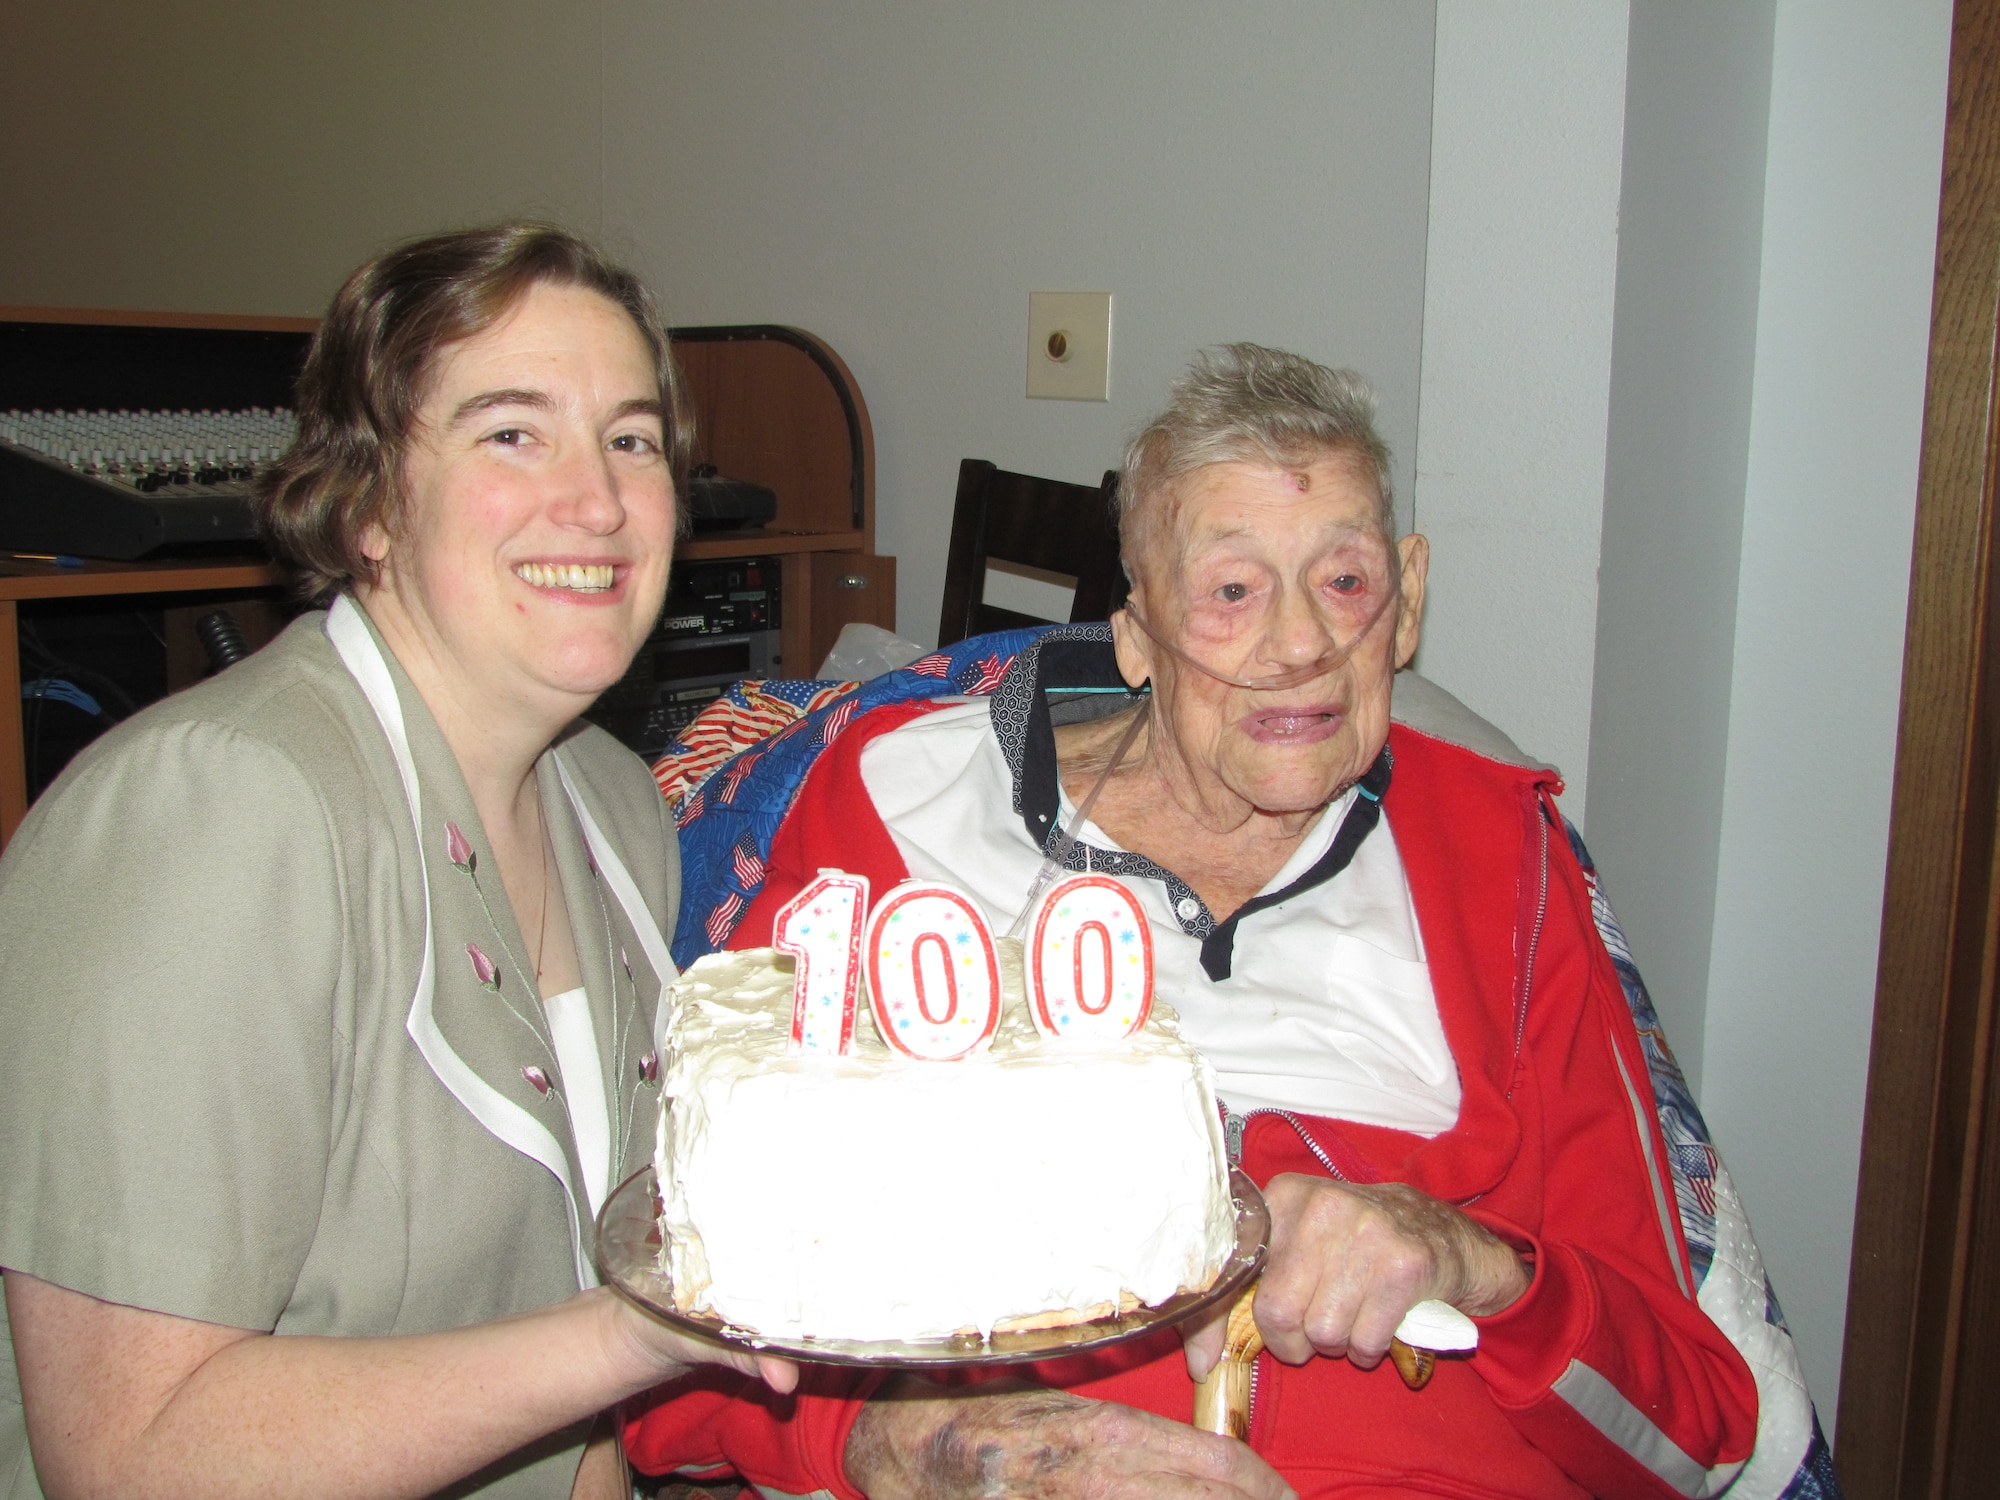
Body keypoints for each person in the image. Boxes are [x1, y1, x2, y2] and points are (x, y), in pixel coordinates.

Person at [623, 345, 1760, 1500]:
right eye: (1229, 590)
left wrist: (1472, 1260)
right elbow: (679, 1341)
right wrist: (904, 1443)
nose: (1301, 645)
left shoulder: (1503, 862)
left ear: (1407, 601)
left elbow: (1694, 1431)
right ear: (1134, 637)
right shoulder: (892, 805)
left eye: (1346, 581)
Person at [0, 223, 792, 1500]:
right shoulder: (216, 810)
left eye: (631, 441)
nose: (596, 501)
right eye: (510, 432)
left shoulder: (610, 803)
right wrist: (641, 1334)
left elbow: (578, 1403)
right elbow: (129, 1456)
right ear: (368, 503)